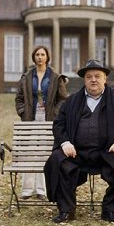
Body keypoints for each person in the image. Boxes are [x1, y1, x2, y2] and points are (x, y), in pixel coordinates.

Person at [44, 59, 114, 224]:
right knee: (57, 161)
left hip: (107, 152)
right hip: (77, 152)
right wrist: (65, 143)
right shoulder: (72, 100)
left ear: (105, 79)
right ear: (85, 80)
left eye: (98, 76)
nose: (93, 79)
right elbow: (59, 124)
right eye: (89, 76)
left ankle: (109, 210)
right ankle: (67, 210)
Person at [15, 46, 68, 200]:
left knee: (45, 152)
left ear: (47, 57)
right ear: (34, 57)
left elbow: (63, 99)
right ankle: (27, 190)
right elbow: (18, 98)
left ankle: (42, 190)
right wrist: (23, 111)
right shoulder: (26, 77)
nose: (39, 57)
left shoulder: (55, 77)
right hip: (30, 118)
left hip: (48, 119)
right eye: (37, 54)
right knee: (29, 152)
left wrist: (56, 114)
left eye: (42, 54)